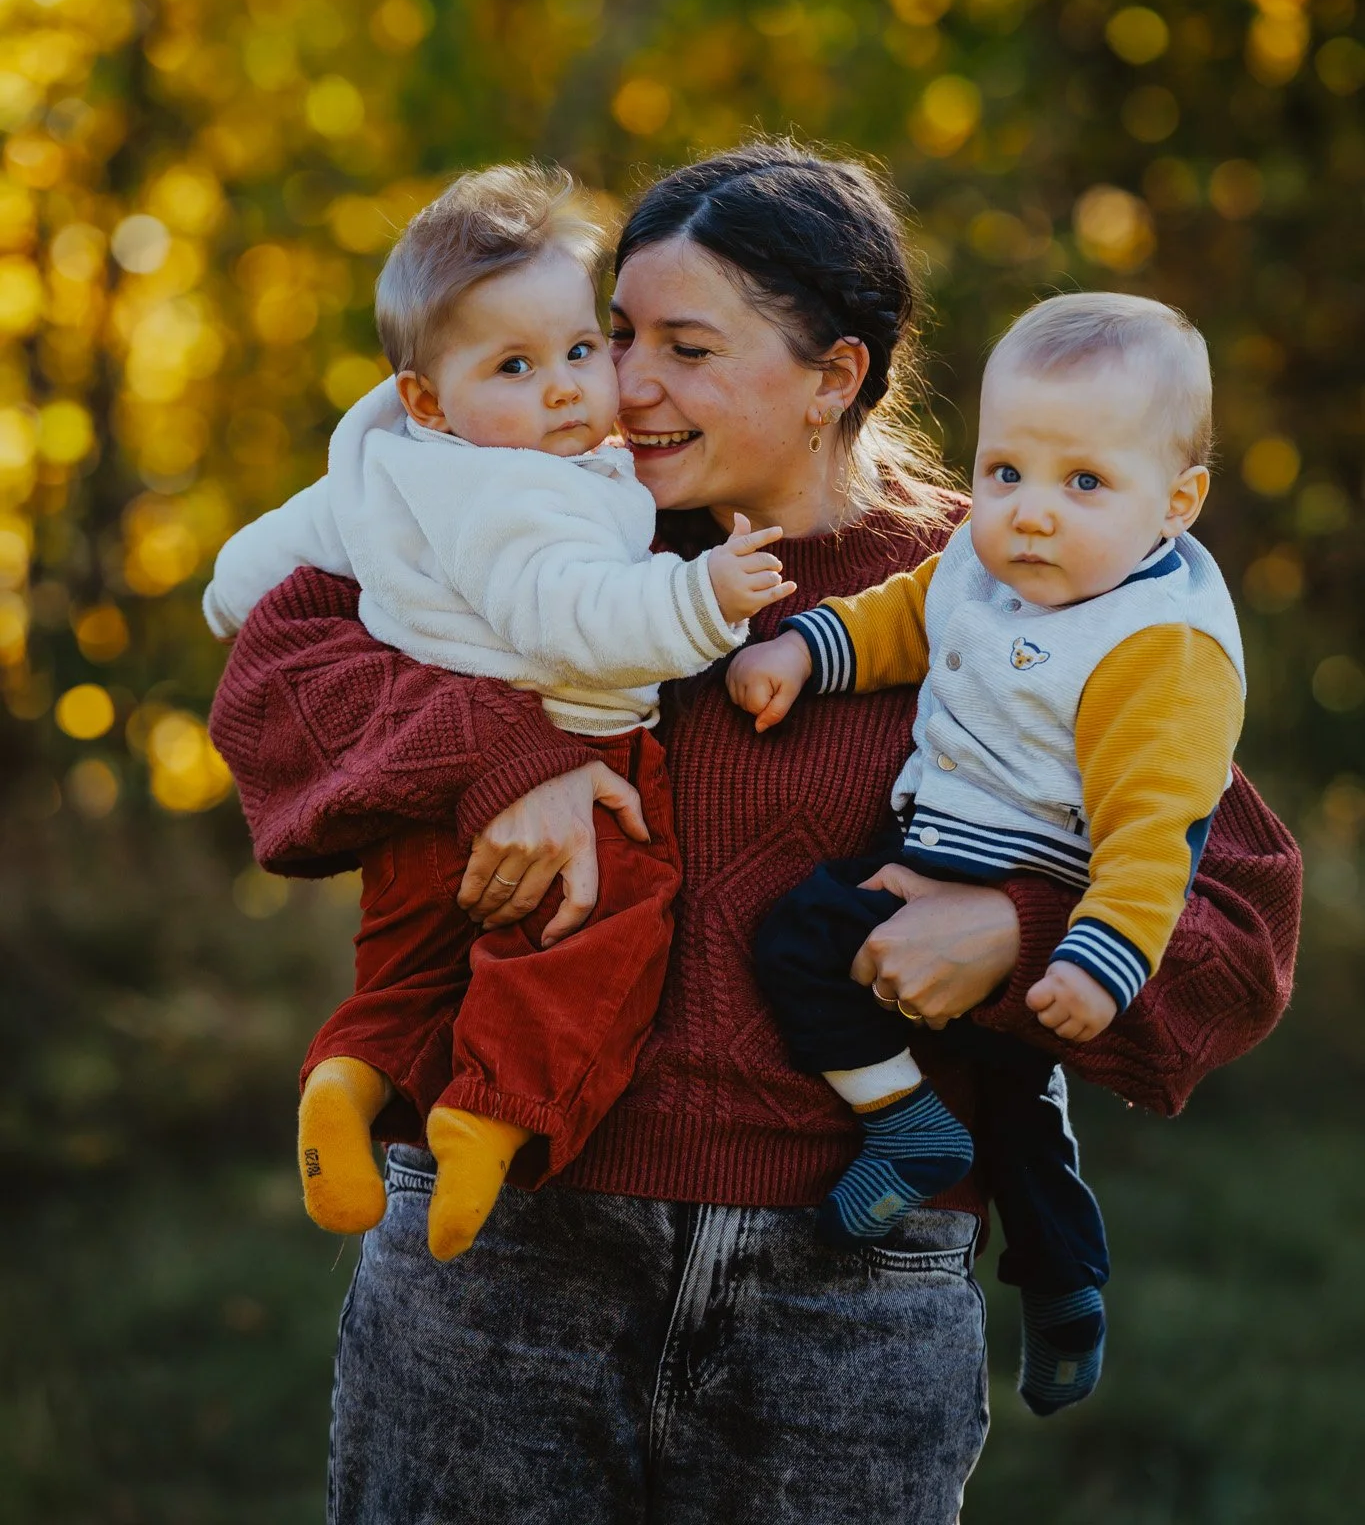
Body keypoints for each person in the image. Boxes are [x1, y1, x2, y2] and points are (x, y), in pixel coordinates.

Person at [209, 141, 1301, 1525]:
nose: (627, 384)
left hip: (844, 1304)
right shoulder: (531, 521)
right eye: (616, 338)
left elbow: (1240, 923)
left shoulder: (1015, 584)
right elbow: (273, 677)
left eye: (686, 346)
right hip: (500, 1261)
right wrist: (508, 756)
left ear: (835, 375)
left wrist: (1017, 929)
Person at [204, 164, 792, 1259]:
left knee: (412, 960)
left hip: (419, 804)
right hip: (570, 727)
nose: (570, 389)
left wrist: (223, 590)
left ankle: (348, 1071)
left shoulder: (390, 462)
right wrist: (699, 599)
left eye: (581, 349)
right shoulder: (530, 493)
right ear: (431, 396)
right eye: (515, 367)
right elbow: (574, 614)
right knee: (603, 922)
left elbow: (263, 567)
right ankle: (492, 1110)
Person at [731, 290, 1243, 1415]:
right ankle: (907, 1121)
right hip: (928, 855)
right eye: (1006, 470)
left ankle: (1065, 1289)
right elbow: (906, 614)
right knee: (810, 939)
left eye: (1086, 483)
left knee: (1024, 1122)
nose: (1031, 515)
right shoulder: (978, 554)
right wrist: (809, 650)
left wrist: (1086, 956)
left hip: (1039, 888)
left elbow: (1160, 838)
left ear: (1179, 501)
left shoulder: (1160, 651)